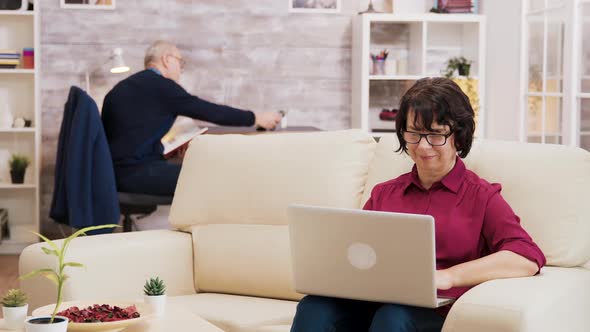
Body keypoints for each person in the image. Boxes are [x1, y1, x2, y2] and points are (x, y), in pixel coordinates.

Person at [290, 77, 546, 332]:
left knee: (392, 317)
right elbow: (357, 253)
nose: (423, 147)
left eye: (435, 134)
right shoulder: (384, 193)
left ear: (459, 135)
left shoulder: (481, 196)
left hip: (432, 311)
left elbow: (526, 256)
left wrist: (450, 275)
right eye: (414, 133)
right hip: (373, 302)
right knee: (314, 307)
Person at [102, 40, 282, 196]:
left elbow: (133, 138)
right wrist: (256, 117)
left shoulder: (125, 86)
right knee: (217, 177)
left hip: (114, 173)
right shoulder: (162, 87)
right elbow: (211, 111)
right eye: (180, 62)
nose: (181, 69)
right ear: (166, 59)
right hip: (134, 174)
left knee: (200, 170)